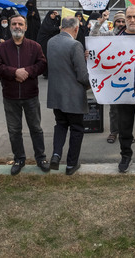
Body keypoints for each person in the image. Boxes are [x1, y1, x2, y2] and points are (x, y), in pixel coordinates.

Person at [0, 14, 49, 175]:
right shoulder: (1, 48)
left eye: (20, 24)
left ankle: (41, 158)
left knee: (36, 128)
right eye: (14, 24)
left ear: (25, 27)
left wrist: (28, 72)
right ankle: (19, 159)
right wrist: (14, 72)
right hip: (10, 96)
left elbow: (42, 64)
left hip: (30, 94)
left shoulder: (35, 46)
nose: (17, 26)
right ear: (10, 26)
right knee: (14, 130)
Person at [91, 7, 135, 173]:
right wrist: (100, 22)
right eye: (129, 17)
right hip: (123, 90)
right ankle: (125, 156)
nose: (132, 20)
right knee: (124, 126)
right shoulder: (116, 36)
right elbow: (94, 40)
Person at [46, 17, 90, 175]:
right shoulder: (75, 44)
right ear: (76, 29)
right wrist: (92, 85)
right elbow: (82, 76)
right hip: (73, 96)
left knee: (61, 125)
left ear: (61, 27)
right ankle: (71, 165)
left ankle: (56, 155)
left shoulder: (51, 42)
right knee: (77, 129)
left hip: (56, 95)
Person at [90, 10, 127, 144]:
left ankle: (126, 133)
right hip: (112, 75)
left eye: (123, 21)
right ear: (114, 22)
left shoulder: (132, 35)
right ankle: (114, 132)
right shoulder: (109, 34)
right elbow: (93, 36)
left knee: (128, 107)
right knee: (114, 107)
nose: (121, 24)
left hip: (128, 75)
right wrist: (101, 22)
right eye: (118, 21)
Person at [37, 10, 61, 78]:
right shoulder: (47, 21)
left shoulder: (54, 21)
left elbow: (58, 24)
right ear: (49, 15)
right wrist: (57, 28)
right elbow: (49, 29)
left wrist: (58, 16)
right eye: (52, 14)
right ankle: (46, 73)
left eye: (54, 14)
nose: (53, 15)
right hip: (45, 42)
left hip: (51, 42)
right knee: (46, 57)